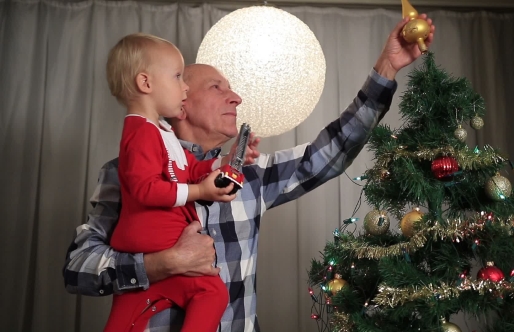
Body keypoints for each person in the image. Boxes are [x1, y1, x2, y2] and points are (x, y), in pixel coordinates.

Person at [64, 15, 435, 332]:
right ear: (181, 104)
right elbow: (78, 268)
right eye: (217, 87)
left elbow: (334, 150)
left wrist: (386, 69)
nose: (236, 97)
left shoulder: (250, 176)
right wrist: (161, 264)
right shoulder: (124, 172)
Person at [102, 33, 258, 332]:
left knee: (130, 308)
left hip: (150, 238)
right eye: (176, 77)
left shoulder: (161, 131)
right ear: (145, 84)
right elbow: (146, 189)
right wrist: (200, 191)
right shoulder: (141, 132)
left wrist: (222, 164)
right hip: (155, 235)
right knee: (211, 292)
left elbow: (188, 169)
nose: (184, 86)